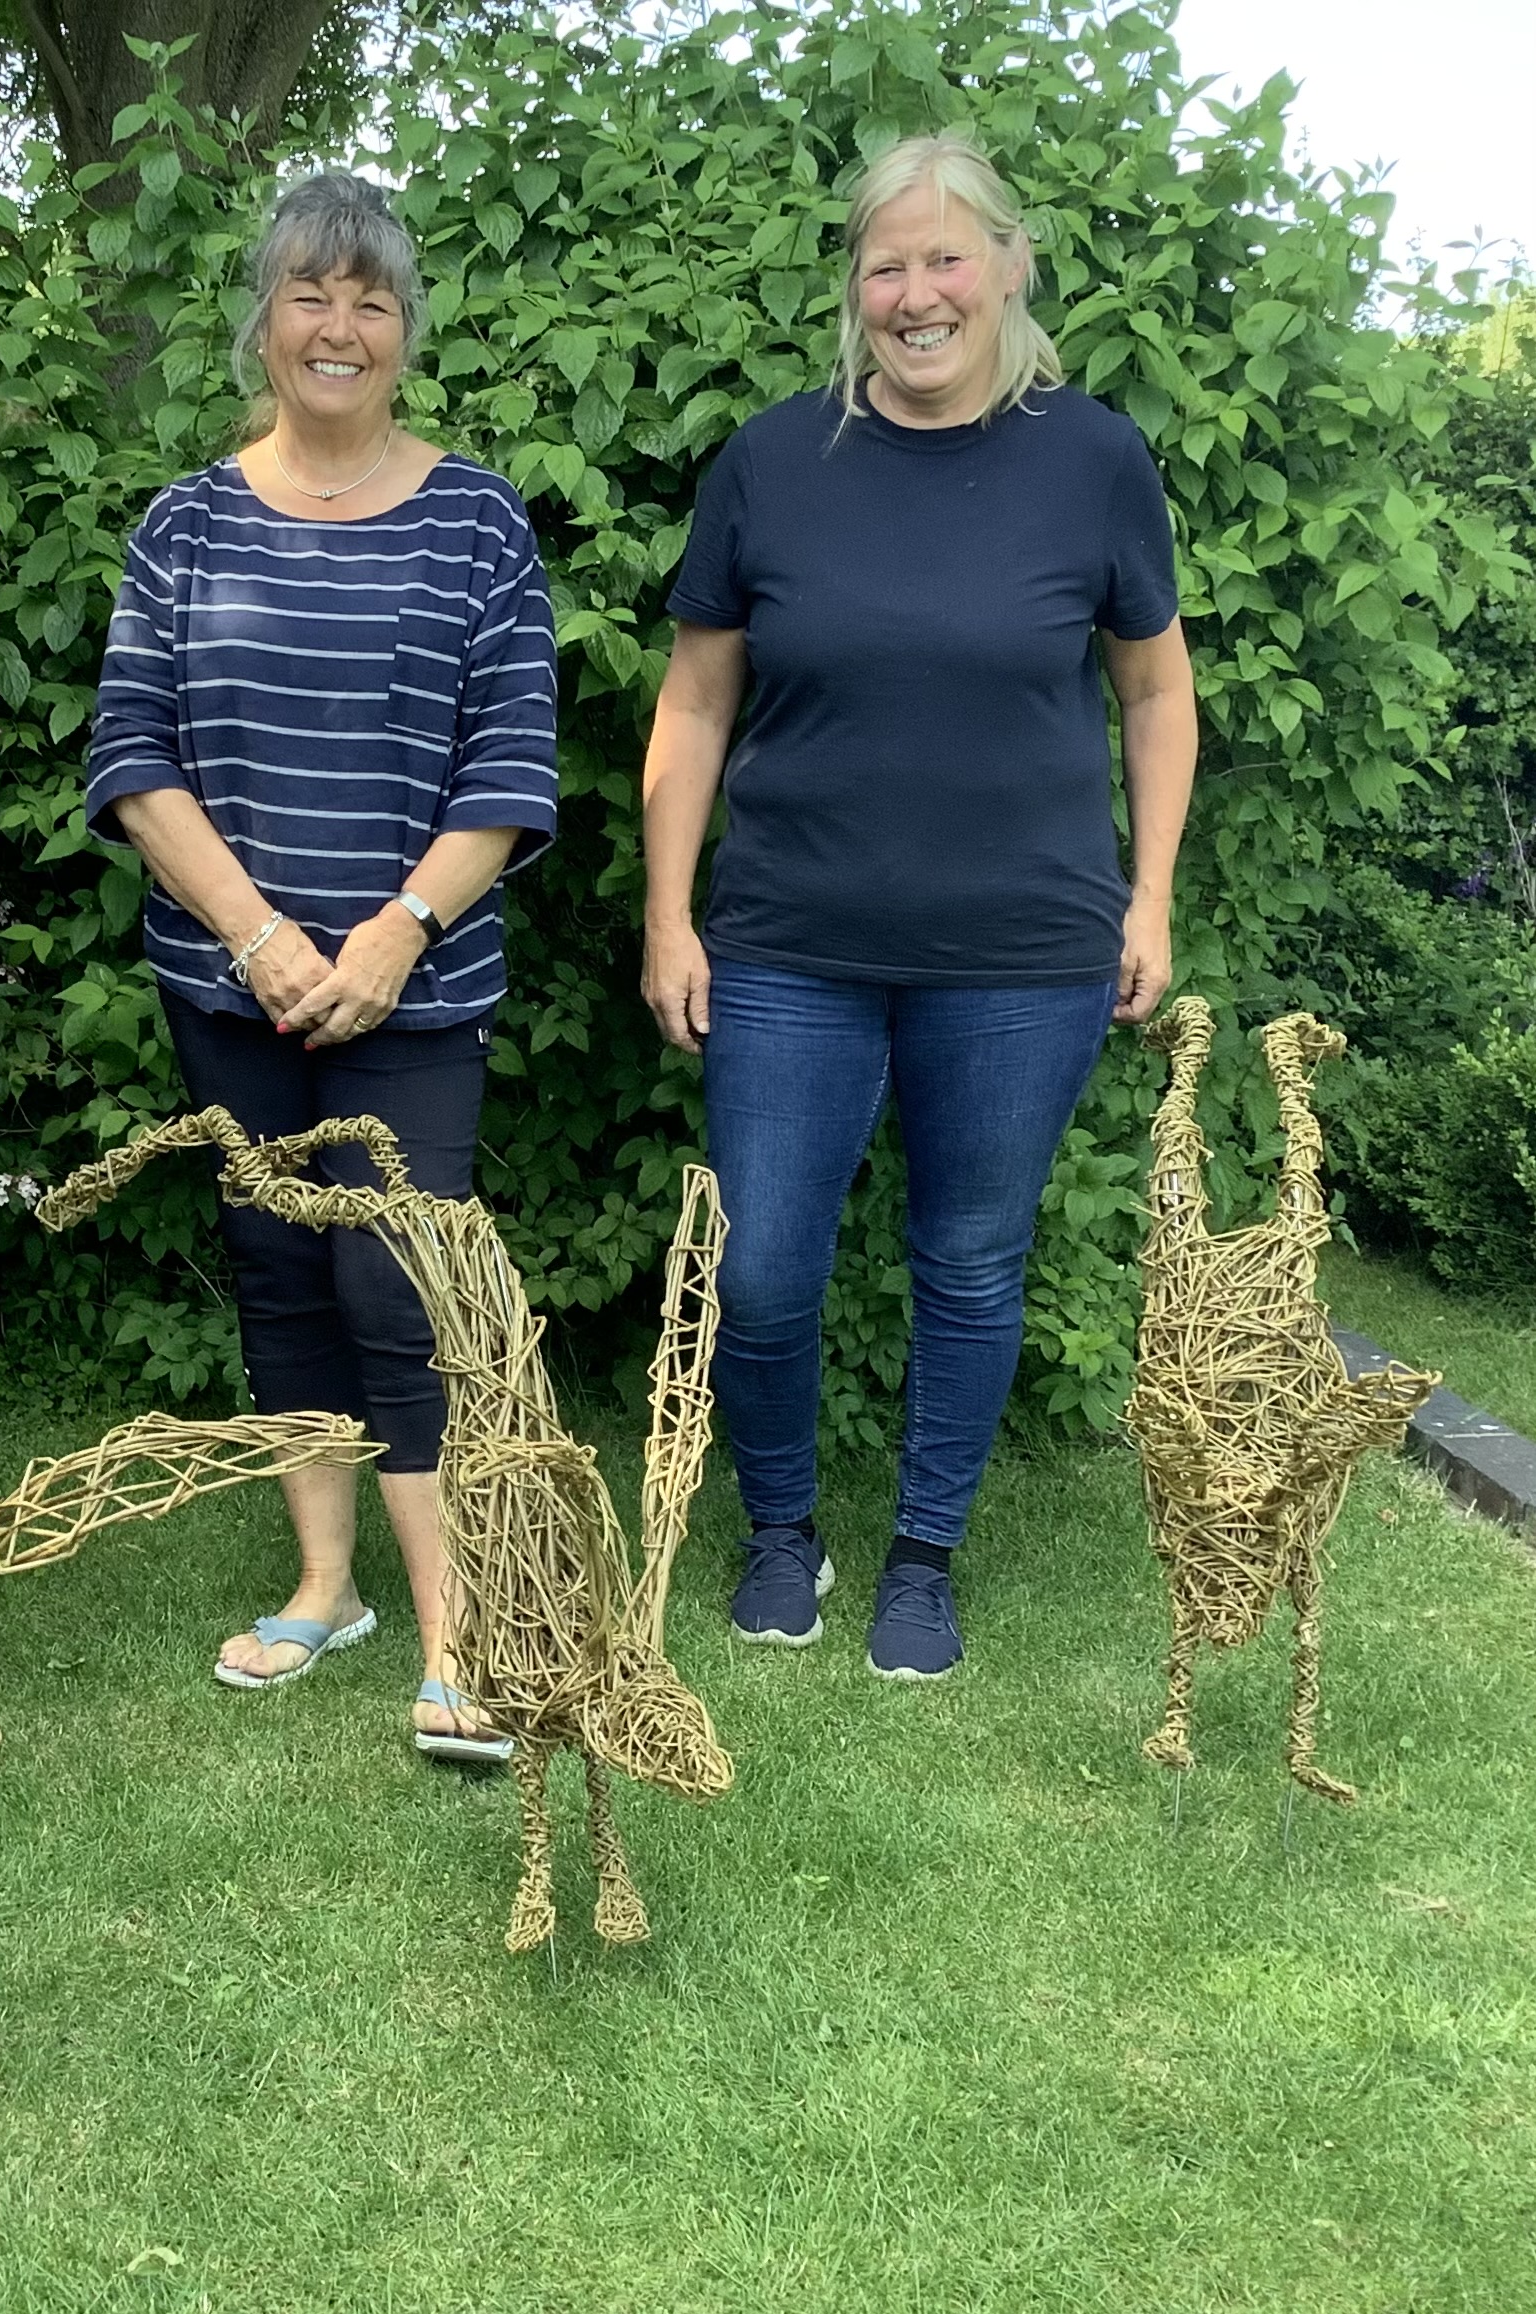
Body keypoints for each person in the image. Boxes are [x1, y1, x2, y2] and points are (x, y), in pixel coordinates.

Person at [639, 132, 1197, 1681]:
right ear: (854, 287)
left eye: (947, 257)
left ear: (1009, 268)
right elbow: (692, 705)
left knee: (968, 1258)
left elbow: (1154, 693)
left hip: (1021, 954)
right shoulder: (769, 462)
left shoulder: (1092, 460)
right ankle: (779, 1529)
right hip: (786, 947)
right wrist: (668, 917)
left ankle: (923, 1559)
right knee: (761, 1266)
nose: (916, 293)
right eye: (885, 264)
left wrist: (1148, 894)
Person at [87, 173, 560, 1760]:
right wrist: (260, 937)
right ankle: (323, 1587)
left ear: (405, 332)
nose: (338, 325)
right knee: (279, 1268)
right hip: (231, 983)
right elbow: (132, 754)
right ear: (264, 323)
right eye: (309, 294)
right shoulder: (186, 522)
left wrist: (391, 934)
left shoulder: (477, 518)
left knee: (394, 1282)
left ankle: (456, 1633)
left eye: (370, 299)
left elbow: (511, 763)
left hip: (412, 988)